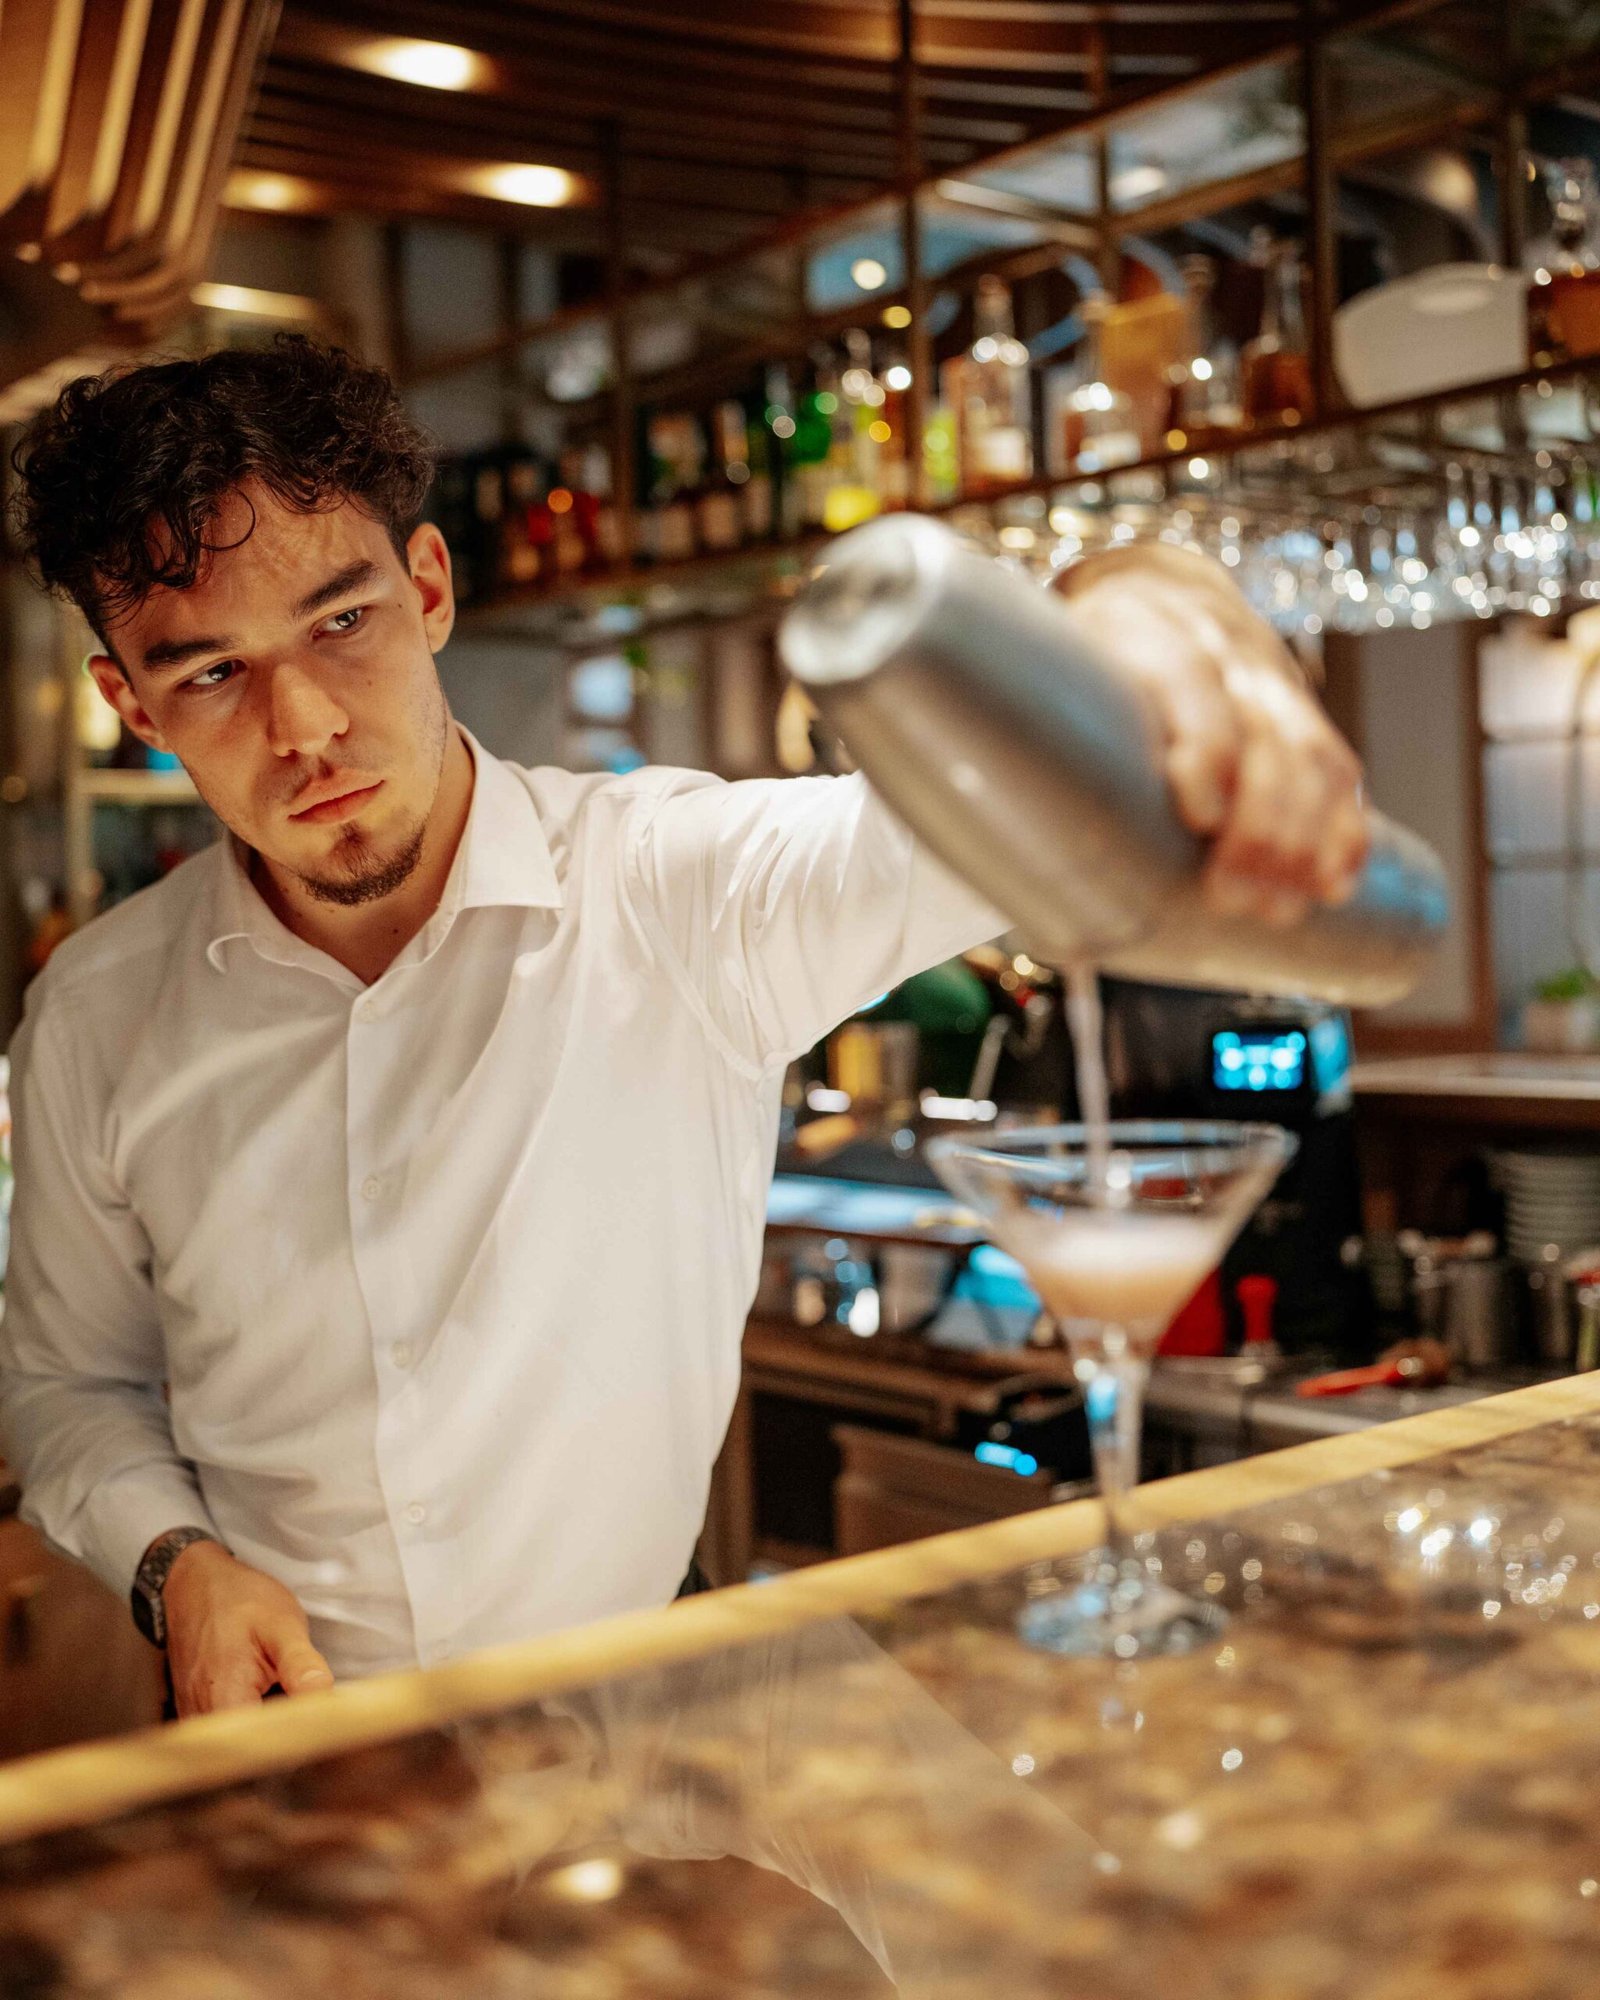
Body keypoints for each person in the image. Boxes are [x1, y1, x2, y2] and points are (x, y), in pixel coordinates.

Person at [0, 336, 1365, 1718]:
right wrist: (176, 1567)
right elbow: (67, 1383)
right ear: (132, 705)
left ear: (428, 589)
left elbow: (1015, 787)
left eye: (341, 622)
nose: (303, 726)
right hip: (275, 1742)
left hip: (636, 1729)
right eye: (212, 675)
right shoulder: (98, 1014)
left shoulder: (677, 891)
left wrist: (1156, 606)